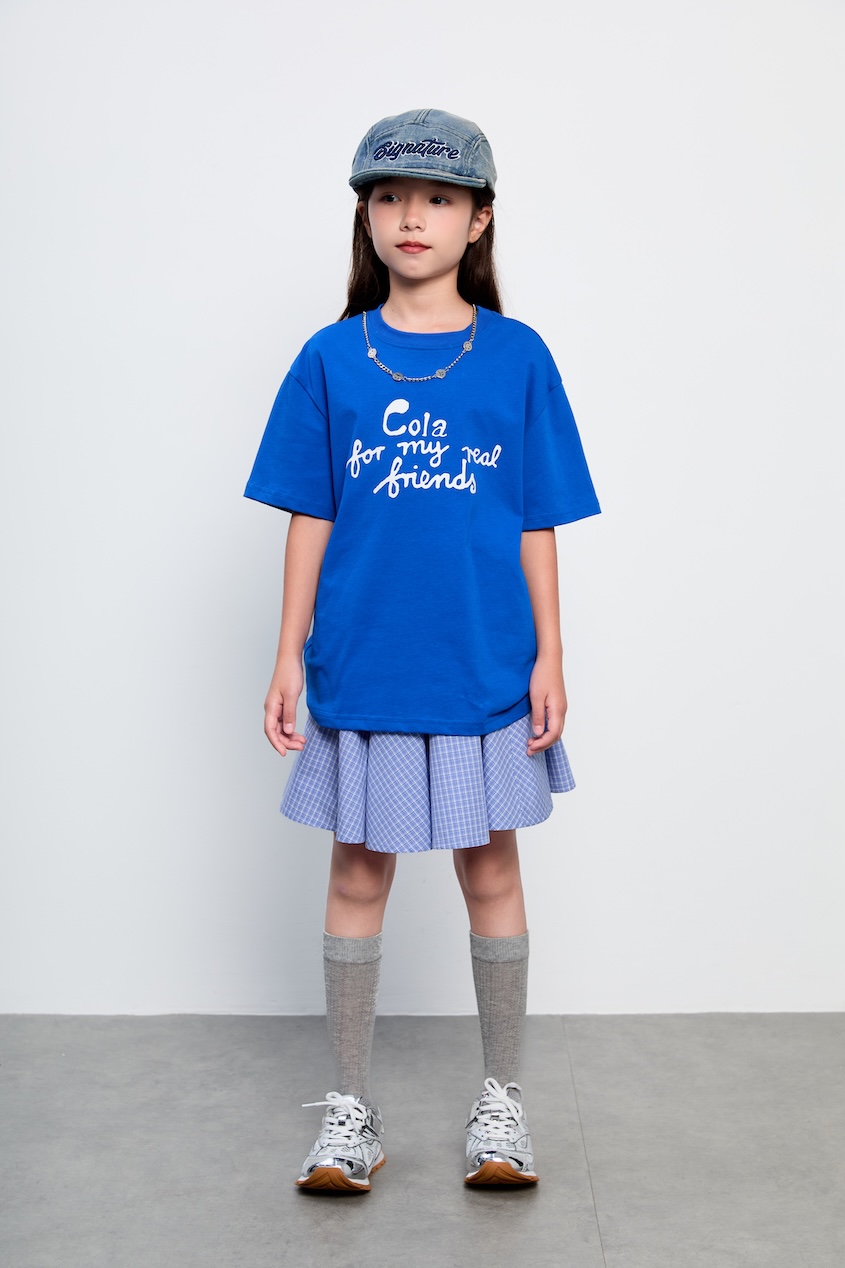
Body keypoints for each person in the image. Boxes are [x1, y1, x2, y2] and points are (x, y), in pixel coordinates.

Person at [244, 108, 600, 1192]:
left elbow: (535, 520)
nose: (412, 216)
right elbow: (309, 514)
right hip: (366, 664)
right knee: (358, 869)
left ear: (477, 220)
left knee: (489, 867)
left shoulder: (518, 357)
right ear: (366, 216)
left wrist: (549, 655)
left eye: (439, 198)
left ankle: (503, 1105)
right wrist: (287, 655)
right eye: (391, 196)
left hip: (483, 666)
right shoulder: (328, 358)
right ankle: (349, 1110)